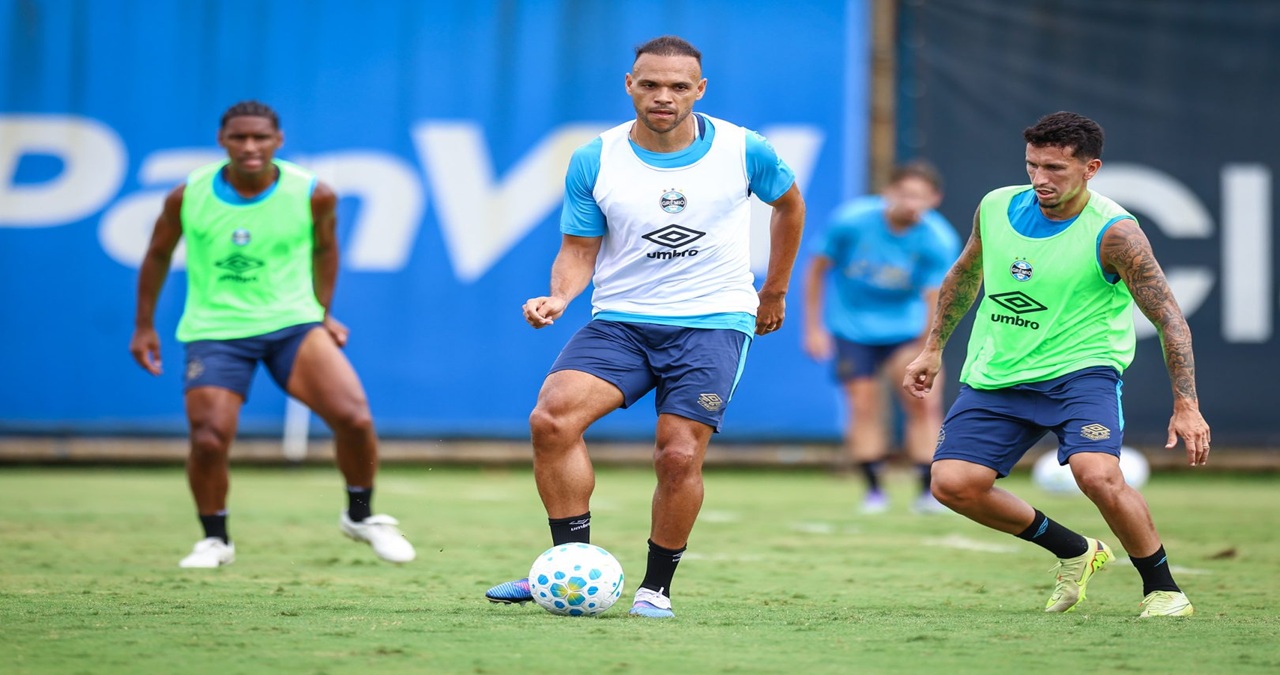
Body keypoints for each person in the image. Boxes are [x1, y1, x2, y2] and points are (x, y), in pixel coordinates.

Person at [483, 36, 805, 618]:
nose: (664, 96)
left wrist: (774, 289)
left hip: (713, 322)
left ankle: (656, 589)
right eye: (650, 84)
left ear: (699, 91)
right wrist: (558, 297)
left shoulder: (743, 149)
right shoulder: (594, 158)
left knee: (678, 457)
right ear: (629, 84)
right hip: (623, 322)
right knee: (552, 420)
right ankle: (569, 568)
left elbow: (790, 206)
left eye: (679, 87)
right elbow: (579, 248)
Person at [902, 111, 1210, 617]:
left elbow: (1170, 318)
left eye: (1055, 169)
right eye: (1032, 166)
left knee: (1097, 475)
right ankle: (1075, 550)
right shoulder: (996, 207)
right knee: (952, 486)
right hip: (998, 373)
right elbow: (964, 273)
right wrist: (933, 347)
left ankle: (1163, 589)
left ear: (1091, 168)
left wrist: (1187, 403)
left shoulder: (1116, 233)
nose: (1040, 179)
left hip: (1081, 373)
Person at [130, 101, 415, 568]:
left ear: (277, 141)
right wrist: (144, 325)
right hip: (215, 330)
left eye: (260, 138)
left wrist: (322, 312)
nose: (249, 147)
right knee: (208, 439)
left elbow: (326, 250)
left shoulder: (314, 194)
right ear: (222, 140)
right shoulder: (187, 195)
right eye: (238, 138)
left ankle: (360, 517)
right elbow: (158, 255)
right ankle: (215, 540)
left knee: (355, 418)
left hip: (293, 324)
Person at [802, 162, 959, 514]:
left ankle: (925, 491)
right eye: (904, 194)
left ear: (935, 199)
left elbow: (935, 298)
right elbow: (816, 270)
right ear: (887, 193)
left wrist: (928, 347)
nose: (911, 203)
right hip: (852, 328)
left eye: (920, 196)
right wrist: (813, 328)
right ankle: (874, 491)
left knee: (923, 402)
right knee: (862, 405)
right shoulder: (852, 221)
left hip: (906, 330)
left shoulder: (938, 239)